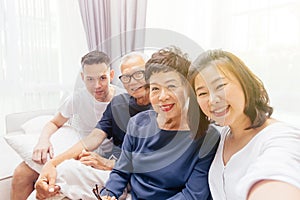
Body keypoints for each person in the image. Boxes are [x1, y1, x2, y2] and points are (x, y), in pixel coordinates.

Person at [99, 47, 220, 200]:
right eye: (155, 88)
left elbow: (193, 195)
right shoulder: (137, 123)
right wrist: (109, 195)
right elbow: (121, 171)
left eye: (171, 86)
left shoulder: (207, 137)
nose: (162, 97)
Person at [33, 52, 152, 199]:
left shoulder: (163, 106)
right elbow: (94, 137)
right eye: (127, 77)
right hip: (118, 174)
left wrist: (109, 163)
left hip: (137, 175)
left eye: (139, 74)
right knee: (57, 177)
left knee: (63, 176)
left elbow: (156, 159)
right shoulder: (118, 104)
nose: (133, 82)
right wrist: (52, 164)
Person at [11, 50, 125, 200]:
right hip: (78, 150)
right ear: (83, 78)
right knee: (21, 173)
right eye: (90, 79)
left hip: (105, 157)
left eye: (102, 78)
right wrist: (43, 140)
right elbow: (54, 122)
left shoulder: (123, 100)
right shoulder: (76, 99)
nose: (97, 85)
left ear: (111, 75)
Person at [188, 49, 300, 200]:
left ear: (245, 83)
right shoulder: (224, 134)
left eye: (220, 86)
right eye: (202, 93)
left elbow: (277, 178)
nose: (212, 99)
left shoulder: (281, 139)